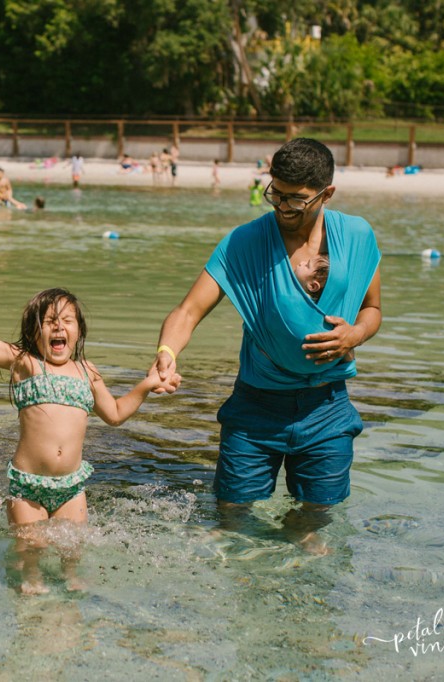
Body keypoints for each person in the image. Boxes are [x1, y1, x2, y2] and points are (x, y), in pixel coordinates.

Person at [153, 138, 382, 554]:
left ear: (327, 193)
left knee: (314, 521)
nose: (282, 208)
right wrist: (167, 355)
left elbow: (373, 309)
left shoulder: (357, 235)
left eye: (296, 200)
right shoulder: (246, 242)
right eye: (275, 194)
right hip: (256, 408)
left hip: (327, 407)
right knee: (231, 518)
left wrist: (356, 334)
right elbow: (187, 311)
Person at [0, 286, 177, 593]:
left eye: (67, 320)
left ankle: (71, 585)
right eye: (48, 320)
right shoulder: (25, 363)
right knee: (30, 551)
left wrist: (146, 386)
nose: (58, 326)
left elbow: (114, 414)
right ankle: (29, 586)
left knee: (72, 554)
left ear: (79, 331)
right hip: (28, 486)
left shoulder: (88, 373)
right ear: (33, 332)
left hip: (71, 488)